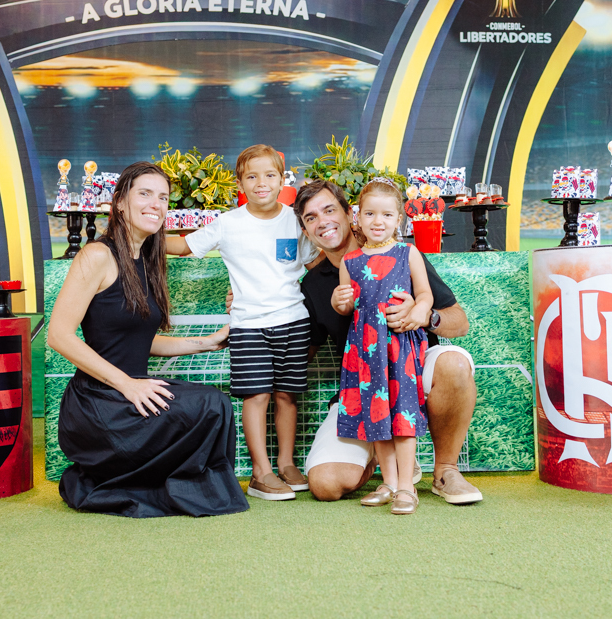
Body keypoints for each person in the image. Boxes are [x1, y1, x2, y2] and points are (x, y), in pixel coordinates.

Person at [47, 162, 249, 518]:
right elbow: (58, 336)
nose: (156, 204)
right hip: (99, 403)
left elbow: (140, 341)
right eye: (145, 194)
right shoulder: (97, 255)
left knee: (216, 404)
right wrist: (128, 385)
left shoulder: (146, 260)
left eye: (163, 197)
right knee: (207, 405)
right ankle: (170, 489)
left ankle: (186, 490)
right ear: (120, 202)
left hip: (130, 391)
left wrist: (205, 342)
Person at [296, 179, 483, 505]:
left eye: (329, 210)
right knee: (325, 484)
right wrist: (250, 304)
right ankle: (387, 470)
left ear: (349, 214)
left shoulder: (403, 254)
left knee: (453, 363)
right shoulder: (314, 282)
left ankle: (445, 471)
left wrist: (423, 315)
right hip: (362, 382)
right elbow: (303, 353)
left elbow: (460, 321)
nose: (322, 222)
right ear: (305, 230)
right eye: (311, 217)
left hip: (410, 365)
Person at [167, 145, 320, 501]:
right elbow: (184, 247)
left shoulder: (297, 220)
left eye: (270, 175)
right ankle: (261, 473)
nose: (261, 183)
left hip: (294, 322)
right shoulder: (228, 223)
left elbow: (316, 267)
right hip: (248, 326)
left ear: (282, 181)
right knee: (257, 396)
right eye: (252, 176)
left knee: (288, 396)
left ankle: (286, 464)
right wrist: (135, 236)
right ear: (240, 183)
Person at [330, 178, 434, 514]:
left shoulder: (408, 253)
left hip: (398, 347)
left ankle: (406, 487)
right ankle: (388, 483)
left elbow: (425, 294)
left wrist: (419, 310)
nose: (378, 221)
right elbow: (348, 307)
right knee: (376, 416)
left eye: (387, 215)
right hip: (365, 350)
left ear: (399, 219)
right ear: (357, 217)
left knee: (402, 415)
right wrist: (338, 302)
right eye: (370, 213)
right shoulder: (350, 261)